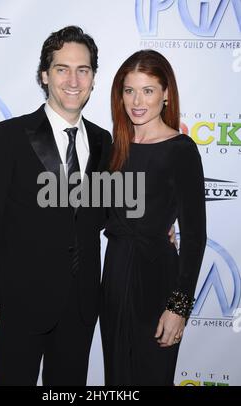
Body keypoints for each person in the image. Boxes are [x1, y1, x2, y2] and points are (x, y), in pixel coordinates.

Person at [0, 25, 112, 386]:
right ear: (45, 76)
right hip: (19, 305)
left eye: (84, 70)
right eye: (62, 68)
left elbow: (106, 210)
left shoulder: (103, 141)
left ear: (94, 78)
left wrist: (156, 227)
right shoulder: (7, 138)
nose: (73, 80)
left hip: (80, 307)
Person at [100, 50, 206, 386]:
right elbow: (96, 213)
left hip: (158, 279)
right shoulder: (113, 147)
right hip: (114, 277)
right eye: (129, 90)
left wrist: (179, 307)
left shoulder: (181, 149)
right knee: (117, 380)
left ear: (166, 94)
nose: (137, 100)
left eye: (147, 90)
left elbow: (193, 237)